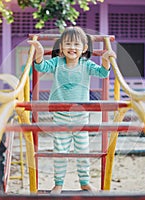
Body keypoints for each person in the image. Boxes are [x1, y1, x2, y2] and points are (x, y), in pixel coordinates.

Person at [28, 26, 116, 194]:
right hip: (60, 116)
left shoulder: (86, 64)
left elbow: (103, 73)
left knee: (83, 152)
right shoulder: (57, 63)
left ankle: (85, 182)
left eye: (76, 44)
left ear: (84, 48)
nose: (72, 48)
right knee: (60, 152)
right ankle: (58, 184)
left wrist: (105, 59)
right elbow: (41, 68)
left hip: (81, 118)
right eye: (67, 44)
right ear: (61, 47)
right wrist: (39, 52)